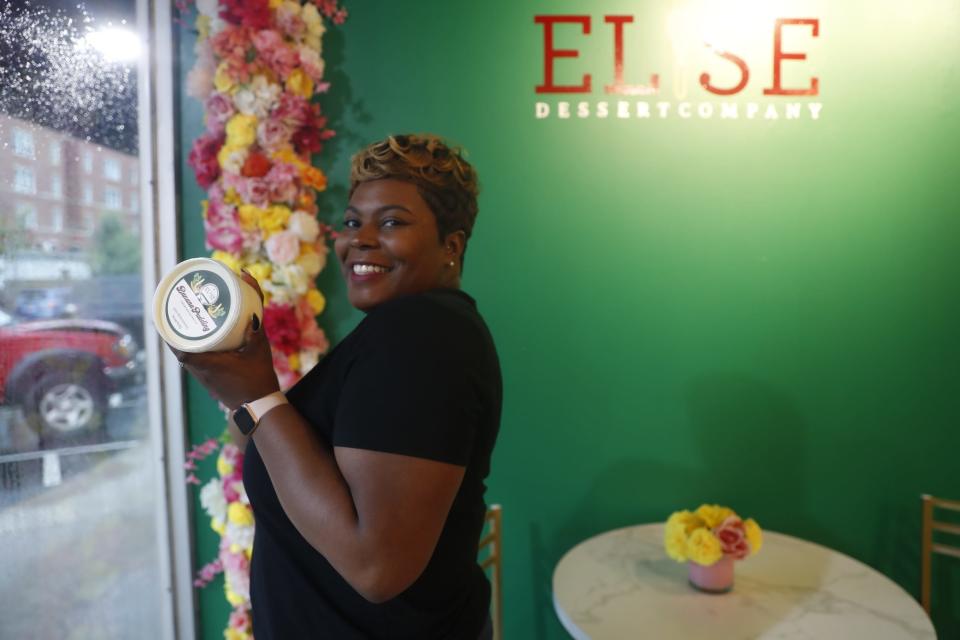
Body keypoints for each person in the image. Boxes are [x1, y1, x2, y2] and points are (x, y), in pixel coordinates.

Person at [175, 134, 502, 639]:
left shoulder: (421, 336)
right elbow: (300, 458)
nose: (360, 239)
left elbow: (377, 566)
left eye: (391, 222)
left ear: (451, 246)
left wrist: (257, 396)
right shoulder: (400, 334)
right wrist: (245, 391)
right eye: (352, 222)